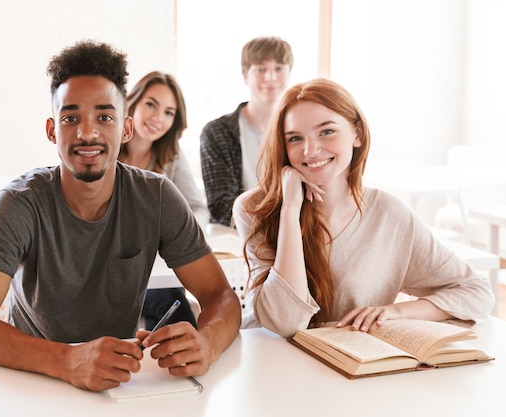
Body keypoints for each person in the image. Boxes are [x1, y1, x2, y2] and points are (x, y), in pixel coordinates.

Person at [0, 39, 241, 392]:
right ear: (52, 130)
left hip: (114, 383)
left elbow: (221, 296)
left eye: (104, 116)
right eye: (71, 118)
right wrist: (67, 361)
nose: (87, 133)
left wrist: (207, 342)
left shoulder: (157, 196)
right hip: (31, 376)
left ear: (126, 128)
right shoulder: (20, 203)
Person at [233, 77, 494, 337]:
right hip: (268, 362)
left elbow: (477, 293)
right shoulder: (254, 209)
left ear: (356, 134)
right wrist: (290, 209)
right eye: (295, 139)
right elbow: (285, 322)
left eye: (326, 131)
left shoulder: (389, 215)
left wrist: (396, 312)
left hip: (350, 369)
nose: (310, 150)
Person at [119, 71, 209, 329]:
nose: (158, 118)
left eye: (169, 112)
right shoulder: (106, 149)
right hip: (110, 268)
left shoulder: (170, 153)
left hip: (156, 268)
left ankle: (188, 360)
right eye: (151, 105)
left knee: (170, 298)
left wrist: (178, 236)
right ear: (132, 103)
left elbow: (198, 209)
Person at [200, 36, 293, 227]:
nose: (270, 77)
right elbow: (221, 206)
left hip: (292, 234)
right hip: (236, 238)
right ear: (245, 76)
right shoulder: (217, 132)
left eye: (279, 68)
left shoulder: (300, 131)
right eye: (260, 69)